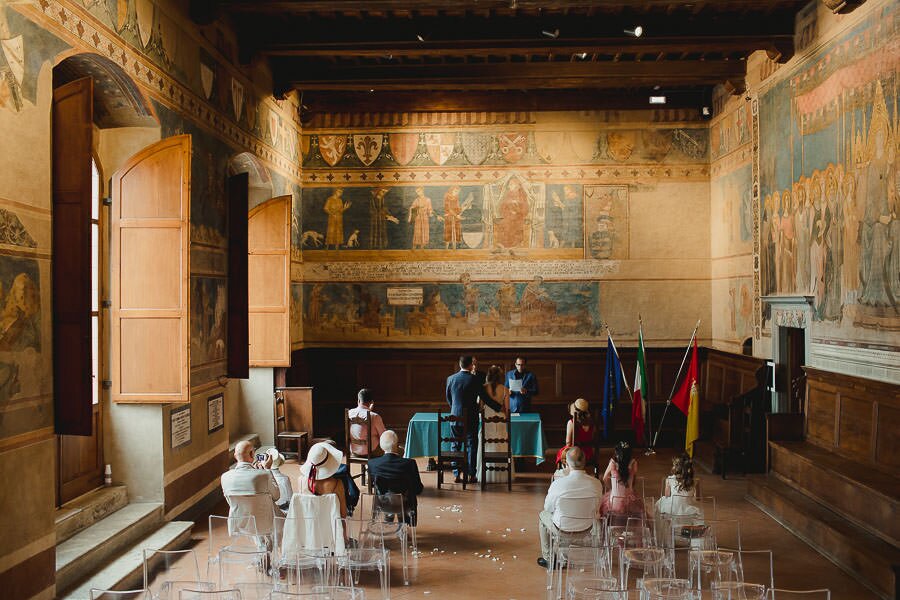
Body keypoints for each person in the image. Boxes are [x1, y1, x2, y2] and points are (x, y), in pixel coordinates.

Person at [537, 446, 603, 568]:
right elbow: (597, 507)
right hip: (586, 529)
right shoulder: (596, 483)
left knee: (542, 516)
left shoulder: (558, 484)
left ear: (566, 463)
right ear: (584, 462)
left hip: (561, 529)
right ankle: (562, 554)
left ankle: (549, 558)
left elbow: (548, 508)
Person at [368, 430, 424, 524]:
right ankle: (403, 525)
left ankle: (388, 517)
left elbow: (376, 485)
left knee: (387, 494)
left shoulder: (372, 464)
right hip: (404, 504)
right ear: (397, 445)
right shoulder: (409, 463)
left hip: (383, 503)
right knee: (405, 494)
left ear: (381, 446)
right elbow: (418, 488)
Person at [445, 355, 485, 483]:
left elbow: (449, 398)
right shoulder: (475, 379)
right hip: (471, 417)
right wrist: (497, 406)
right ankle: (471, 475)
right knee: (472, 446)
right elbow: (483, 397)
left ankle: (457, 474)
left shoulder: (451, 379)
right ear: (470, 365)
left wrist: (455, 410)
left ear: (460, 364)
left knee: (455, 445)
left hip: (455, 416)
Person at [220, 440, 281, 518]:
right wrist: (268, 470)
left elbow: (232, 503)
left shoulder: (225, 477)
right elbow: (276, 496)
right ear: (252, 454)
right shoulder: (264, 475)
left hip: (237, 525)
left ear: (235, 456)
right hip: (264, 525)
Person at [477, 365, 512, 484]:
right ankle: (501, 474)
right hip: (500, 419)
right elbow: (507, 409)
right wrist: (506, 418)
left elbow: (480, 406)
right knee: (500, 443)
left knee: (486, 444)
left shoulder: (483, 388)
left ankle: (485, 473)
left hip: (487, 419)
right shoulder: (505, 389)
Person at [299, 442, 348, 518]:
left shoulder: (301, 481)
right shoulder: (337, 484)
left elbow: (303, 509)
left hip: (310, 526)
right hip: (331, 527)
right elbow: (343, 514)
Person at [600, 441, 644, 517]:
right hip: (630, 501)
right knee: (635, 501)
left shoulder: (613, 463)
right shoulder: (633, 463)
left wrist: (611, 487)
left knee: (602, 508)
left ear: (617, 453)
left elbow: (604, 478)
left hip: (614, 500)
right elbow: (634, 480)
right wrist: (630, 487)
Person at [655, 453, 702, 517]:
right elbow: (697, 498)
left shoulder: (669, 479)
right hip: (688, 512)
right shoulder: (696, 481)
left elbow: (667, 496)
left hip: (672, 511)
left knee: (660, 503)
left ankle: (670, 525)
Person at [348, 388, 386, 457]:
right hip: (372, 451)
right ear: (371, 402)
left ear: (358, 400)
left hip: (354, 450)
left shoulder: (349, 413)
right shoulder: (374, 416)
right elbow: (384, 436)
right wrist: (369, 410)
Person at [565, 398, 596, 466]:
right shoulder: (592, 423)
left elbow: (568, 443)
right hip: (588, 454)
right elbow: (592, 438)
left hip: (575, 455)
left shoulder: (571, 422)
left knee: (560, 453)